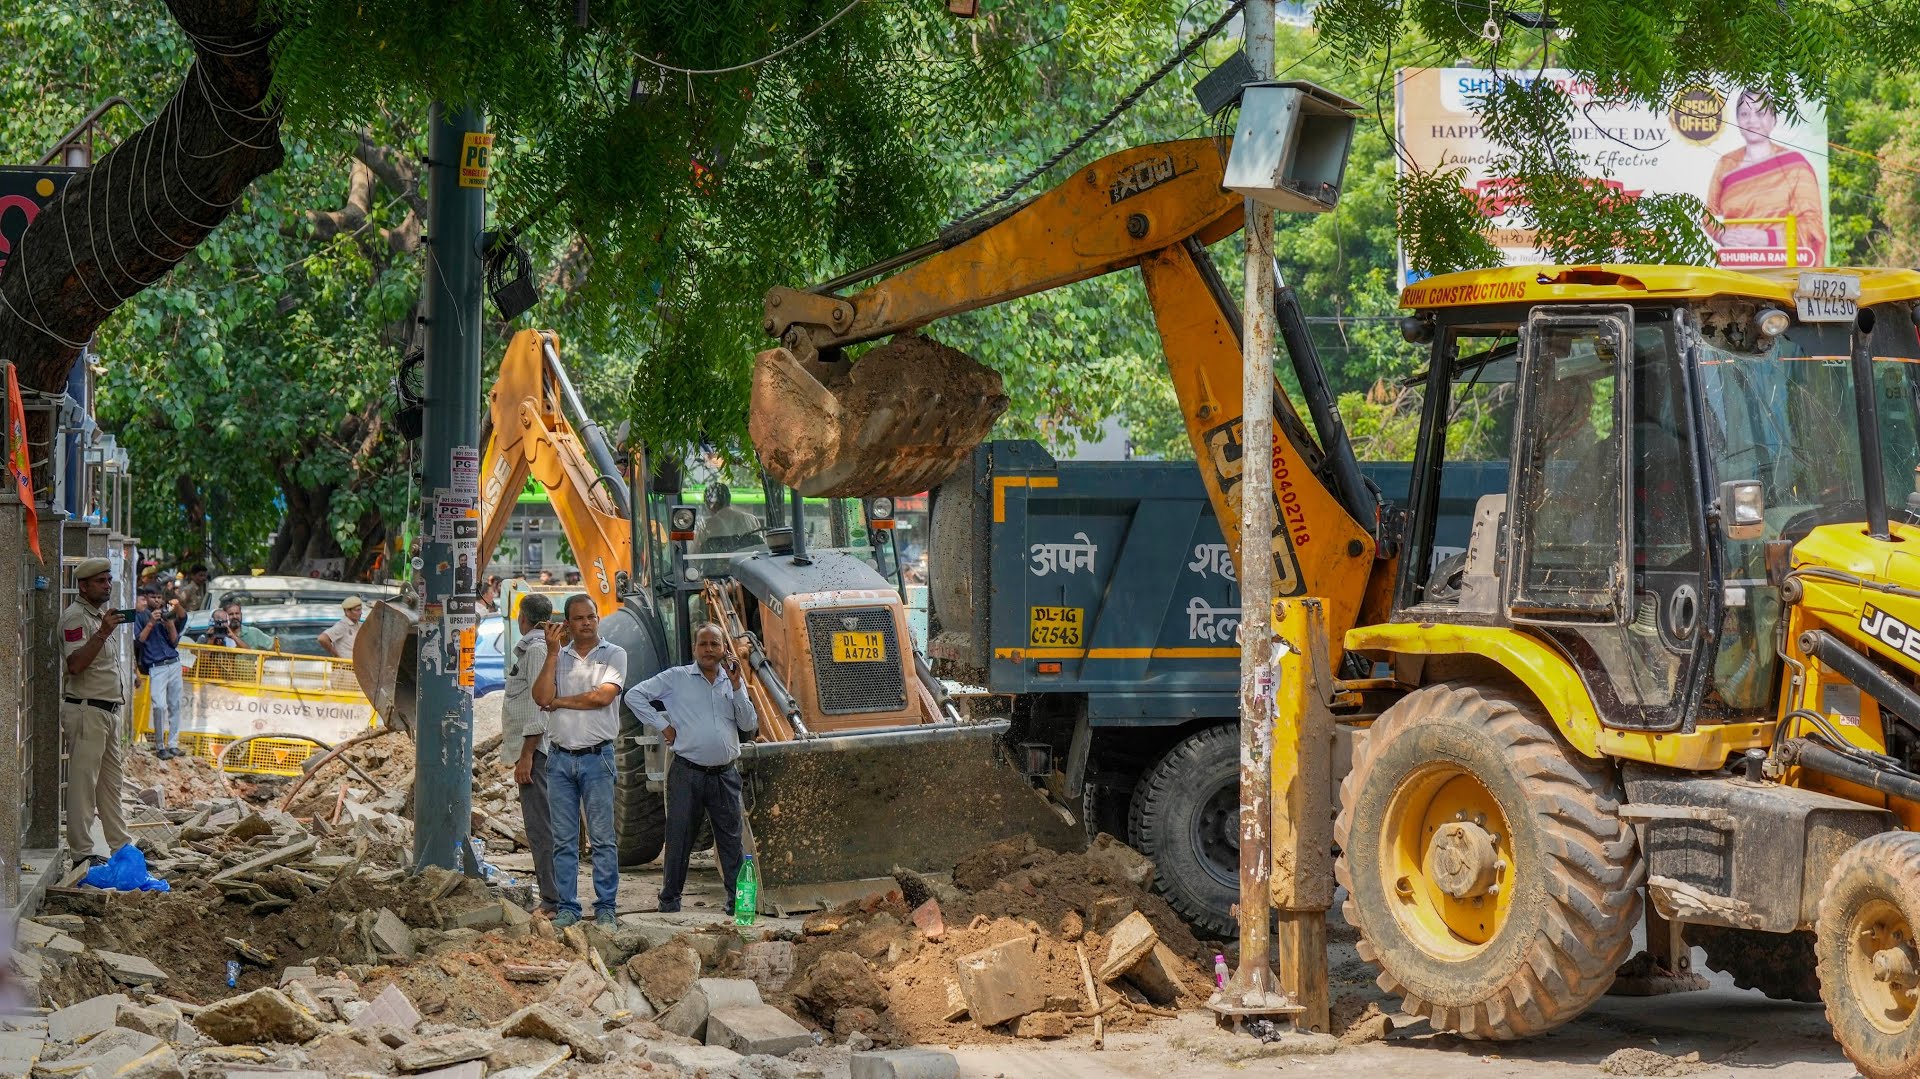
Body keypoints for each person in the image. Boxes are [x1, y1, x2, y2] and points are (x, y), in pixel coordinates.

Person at [623, 623, 758, 915]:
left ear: (724, 650)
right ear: (694, 649)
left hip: (725, 775)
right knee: (679, 838)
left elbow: (748, 724)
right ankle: (669, 901)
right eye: (703, 644)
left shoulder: (732, 682)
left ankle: (737, 904)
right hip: (687, 773)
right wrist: (663, 725)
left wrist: (737, 688)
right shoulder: (676, 678)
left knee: (731, 840)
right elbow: (633, 695)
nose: (709, 650)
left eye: (714, 644)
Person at [532, 594, 627, 929]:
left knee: (602, 839)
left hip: (596, 758)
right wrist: (553, 653)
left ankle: (606, 909)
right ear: (567, 624)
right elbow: (541, 697)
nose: (587, 623)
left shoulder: (615, 654)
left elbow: (601, 697)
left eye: (591, 617)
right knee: (564, 841)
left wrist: (559, 702)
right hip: (559, 761)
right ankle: (568, 908)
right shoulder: (559, 657)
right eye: (579, 618)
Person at [60, 558, 131, 872]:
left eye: (109, 579)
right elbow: (75, 664)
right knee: (83, 786)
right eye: (101, 581)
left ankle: (121, 848)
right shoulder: (76, 618)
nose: (107, 585)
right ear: (83, 585)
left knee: (110, 786)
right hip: (87, 711)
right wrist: (101, 633)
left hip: (108, 713)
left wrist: (104, 628)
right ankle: (82, 852)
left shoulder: (102, 617)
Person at [1706, 89, 1826, 265]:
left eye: (1760, 113)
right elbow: (1709, 215)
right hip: (1737, 271)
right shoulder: (1726, 164)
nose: (1752, 121)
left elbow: (1813, 226)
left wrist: (1767, 238)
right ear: (1738, 121)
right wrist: (1723, 235)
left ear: (1773, 120)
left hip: (1784, 270)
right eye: (1745, 114)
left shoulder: (1795, 165)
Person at [502, 594, 560, 916]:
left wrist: (527, 755)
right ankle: (553, 896)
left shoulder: (537, 650)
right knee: (541, 827)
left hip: (537, 753)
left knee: (541, 828)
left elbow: (542, 707)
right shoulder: (535, 648)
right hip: (535, 752)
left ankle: (552, 900)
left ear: (522, 618)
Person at [134, 586, 187, 759]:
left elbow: (174, 642)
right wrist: (151, 622)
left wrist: (170, 624)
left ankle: (173, 744)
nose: (156, 600)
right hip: (156, 666)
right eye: (153, 597)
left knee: (175, 705)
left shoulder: (167, 614)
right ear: (146, 598)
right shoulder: (141, 616)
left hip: (174, 662)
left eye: (159, 597)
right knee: (158, 705)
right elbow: (139, 640)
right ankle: (160, 746)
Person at [693, 484, 762, 555]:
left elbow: (695, 556)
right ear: (729, 499)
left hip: (716, 566)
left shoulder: (705, 526)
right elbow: (761, 550)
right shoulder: (752, 520)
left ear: (710, 505)